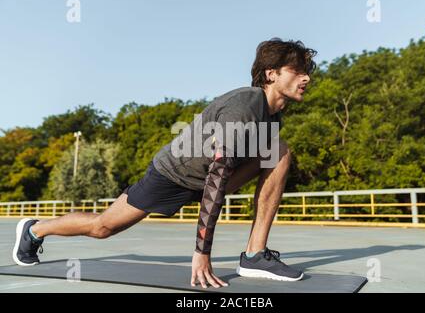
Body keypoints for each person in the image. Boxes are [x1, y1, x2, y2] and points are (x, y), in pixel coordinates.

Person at [12, 38, 316, 289]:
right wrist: (201, 254)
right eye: (298, 70)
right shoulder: (245, 105)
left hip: (207, 177)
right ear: (271, 73)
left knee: (279, 151)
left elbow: (232, 170)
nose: (306, 77)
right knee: (103, 227)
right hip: (174, 175)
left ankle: (254, 254)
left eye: (308, 71)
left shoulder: (273, 118)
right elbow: (218, 177)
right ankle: (35, 229)